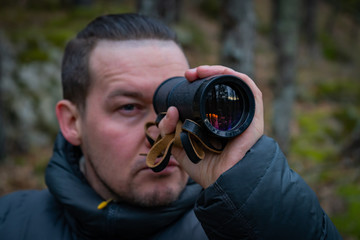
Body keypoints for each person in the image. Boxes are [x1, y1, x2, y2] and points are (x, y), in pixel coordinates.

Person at [0, 13, 342, 240]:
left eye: (174, 103)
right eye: (129, 107)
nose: (161, 131)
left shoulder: (237, 227)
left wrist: (250, 187)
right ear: (72, 122)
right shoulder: (10, 223)